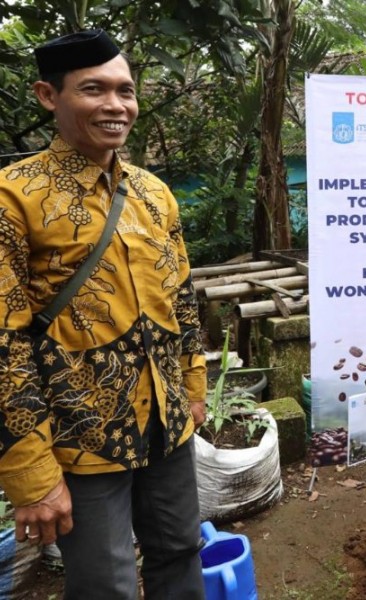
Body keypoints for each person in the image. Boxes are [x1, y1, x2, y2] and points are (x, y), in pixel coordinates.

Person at [0, 29, 207, 599]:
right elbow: (3, 345)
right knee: (105, 583)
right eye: (95, 90)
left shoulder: (153, 193)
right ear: (49, 96)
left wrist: (193, 383)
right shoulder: (13, 198)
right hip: (77, 436)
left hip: (166, 421)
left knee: (180, 551)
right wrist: (31, 474)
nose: (117, 106)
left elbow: (182, 297)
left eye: (126, 91)